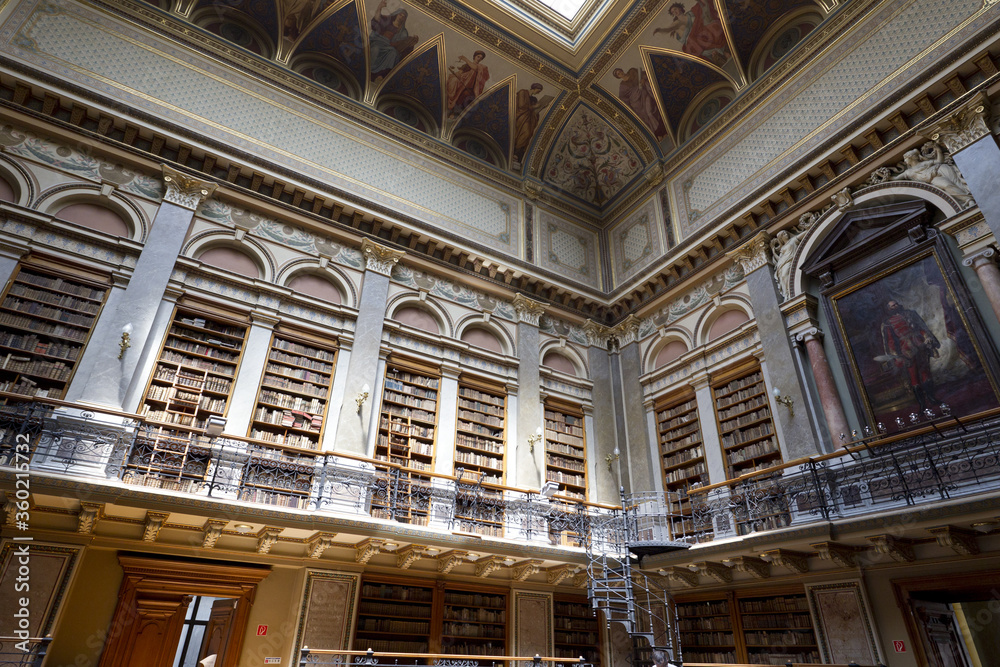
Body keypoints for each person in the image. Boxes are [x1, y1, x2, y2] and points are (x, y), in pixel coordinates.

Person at [881, 299, 942, 411]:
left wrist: (926, 337)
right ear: (889, 309)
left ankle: (932, 398)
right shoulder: (888, 323)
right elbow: (890, 342)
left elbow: (921, 328)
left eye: (896, 304)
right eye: (893, 306)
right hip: (906, 351)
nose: (896, 306)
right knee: (914, 377)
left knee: (926, 373)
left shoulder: (911, 314)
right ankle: (922, 405)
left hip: (920, 345)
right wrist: (897, 356)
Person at [891, 146, 973, 208]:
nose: (905, 160)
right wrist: (885, 175)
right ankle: (967, 199)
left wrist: (938, 150)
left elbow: (939, 161)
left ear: (912, 157)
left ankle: (970, 199)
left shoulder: (924, 163)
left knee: (956, 182)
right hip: (934, 179)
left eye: (906, 158)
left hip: (940, 169)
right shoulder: (908, 172)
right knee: (947, 185)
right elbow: (895, 179)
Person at [654, 0, 728, 66]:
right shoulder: (677, 22)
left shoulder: (690, 13)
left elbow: (700, 14)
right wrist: (660, 30)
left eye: (675, 9)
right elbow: (669, 29)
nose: (675, 12)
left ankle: (724, 51)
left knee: (711, 25)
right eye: (673, 12)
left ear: (680, 8)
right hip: (694, 42)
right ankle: (720, 55)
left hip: (702, 34)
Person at [369, 0, 419, 82]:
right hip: (379, 41)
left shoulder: (403, 32)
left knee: (393, 53)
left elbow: (402, 44)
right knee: (375, 49)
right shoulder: (387, 21)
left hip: (389, 46)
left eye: (403, 16)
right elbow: (377, 21)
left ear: (405, 19)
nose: (401, 17)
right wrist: (379, 7)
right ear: (396, 14)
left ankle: (381, 75)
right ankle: (368, 69)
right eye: (400, 15)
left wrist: (411, 41)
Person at [613, 67, 667, 140]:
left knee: (650, 112)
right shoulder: (622, 86)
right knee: (647, 117)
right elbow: (623, 99)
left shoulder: (632, 72)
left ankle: (662, 130)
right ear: (618, 77)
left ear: (622, 70)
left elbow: (646, 74)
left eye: (620, 71)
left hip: (645, 94)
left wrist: (644, 80)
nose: (620, 73)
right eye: (618, 74)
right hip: (637, 104)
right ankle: (658, 134)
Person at [512, 83, 550, 167]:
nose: (538, 93)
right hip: (520, 117)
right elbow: (521, 106)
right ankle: (513, 151)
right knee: (525, 133)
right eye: (538, 91)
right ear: (534, 88)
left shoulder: (534, 99)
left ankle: (517, 153)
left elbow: (534, 112)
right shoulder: (522, 92)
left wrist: (542, 107)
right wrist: (534, 107)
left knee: (528, 135)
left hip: (529, 119)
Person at [446, 51, 489, 118]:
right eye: (478, 56)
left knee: (465, 95)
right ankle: (451, 109)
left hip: (471, 88)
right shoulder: (466, 65)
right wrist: (454, 74)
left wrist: (465, 59)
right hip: (461, 84)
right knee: (454, 81)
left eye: (481, 58)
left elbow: (475, 68)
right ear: (474, 56)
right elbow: (460, 73)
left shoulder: (481, 67)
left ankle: (456, 113)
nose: (479, 59)